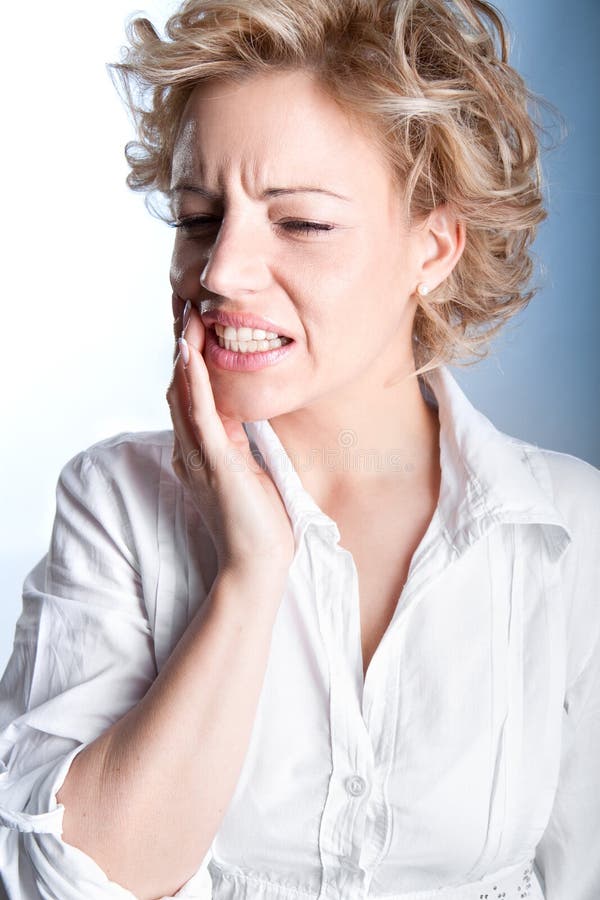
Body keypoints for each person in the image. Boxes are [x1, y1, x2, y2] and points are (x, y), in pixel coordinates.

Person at [0, 0, 598, 898]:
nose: (219, 273)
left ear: (432, 246)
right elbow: (66, 880)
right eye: (200, 217)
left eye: (302, 223)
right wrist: (249, 574)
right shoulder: (117, 500)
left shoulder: (567, 529)